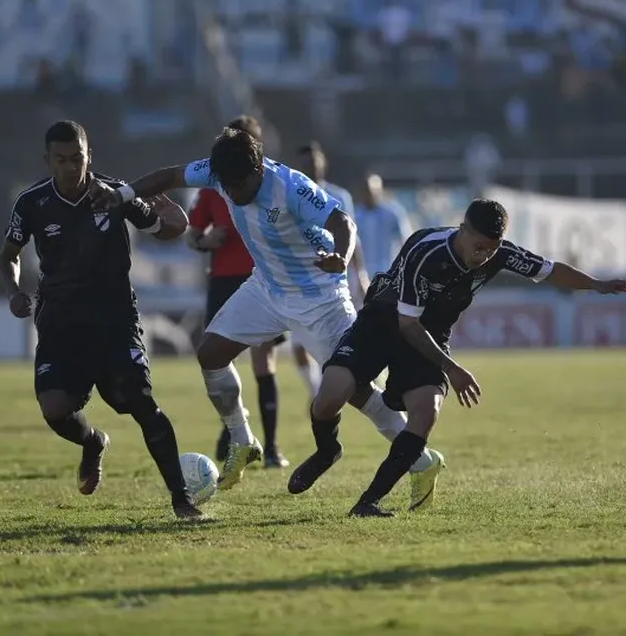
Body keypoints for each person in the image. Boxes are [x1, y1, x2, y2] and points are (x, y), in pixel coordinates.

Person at [90, 128, 447, 509]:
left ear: (259, 169)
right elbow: (171, 175)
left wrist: (340, 257)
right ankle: (242, 440)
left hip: (319, 298)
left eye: (240, 185)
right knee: (210, 353)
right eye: (226, 185)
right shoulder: (218, 172)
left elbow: (343, 221)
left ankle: (422, 461)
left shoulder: (290, 187)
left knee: (356, 390)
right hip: (267, 288)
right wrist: (123, 193)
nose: (234, 193)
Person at [294, 199, 626, 517]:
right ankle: (327, 452)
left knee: (426, 411)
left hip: (429, 332)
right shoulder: (427, 252)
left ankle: (367, 503)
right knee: (328, 399)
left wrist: (597, 284)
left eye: (491, 250)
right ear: (462, 230)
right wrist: (452, 369)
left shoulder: (500, 252)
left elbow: (550, 271)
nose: (484, 257)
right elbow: (408, 324)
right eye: (478, 247)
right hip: (383, 322)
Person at [0, 120, 204, 521]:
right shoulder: (32, 203)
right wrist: (14, 292)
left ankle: (182, 499)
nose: (71, 167)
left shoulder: (115, 193)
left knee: (140, 403)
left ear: (89, 155)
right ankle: (92, 442)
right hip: (60, 321)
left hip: (114, 319)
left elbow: (164, 227)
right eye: (61, 160)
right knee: (55, 408)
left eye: (78, 158)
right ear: (48, 160)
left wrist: (175, 221)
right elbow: (8, 255)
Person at [187, 115, 289, 469]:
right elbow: (192, 232)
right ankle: (234, 434)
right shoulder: (213, 186)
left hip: (263, 278)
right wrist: (205, 239)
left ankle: (272, 446)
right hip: (224, 278)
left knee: (263, 360)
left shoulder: (275, 186)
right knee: (220, 359)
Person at [289, 141, 371, 401]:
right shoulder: (291, 194)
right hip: (300, 276)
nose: (311, 166)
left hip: (334, 275)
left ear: (323, 162)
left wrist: (360, 272)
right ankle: (315, 391)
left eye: (314, 160)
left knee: (342, 336)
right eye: (305, 162)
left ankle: (350, 383)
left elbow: (352, 236)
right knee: (298, 341)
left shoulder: (339, 195)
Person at [354, 173, 412, 278]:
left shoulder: (392, 213)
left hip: (388, 270)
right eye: (366, 190)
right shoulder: (355, 215)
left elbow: (405, 240)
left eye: (373, 189)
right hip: (363, 272)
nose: (370, 194)